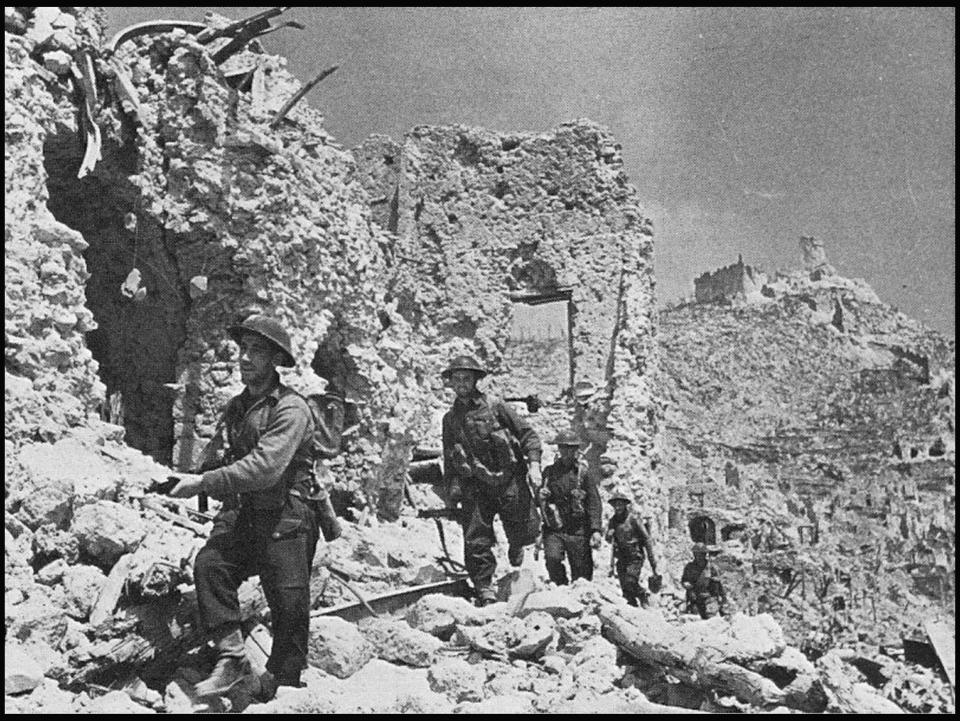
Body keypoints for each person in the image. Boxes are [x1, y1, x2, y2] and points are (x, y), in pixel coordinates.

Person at [169, 315, 318, 699]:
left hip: (288, 517)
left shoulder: (291, 408)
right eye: (243, 349)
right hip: (248, 515)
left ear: (274, 361)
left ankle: (285, 688)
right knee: (211, 565)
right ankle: (233, 657)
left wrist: (204, 483)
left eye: (257, 351)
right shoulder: (238, 407)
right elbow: (220, 455)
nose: (245, 358)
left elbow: (265, 468)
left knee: (289, 608)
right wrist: (186, 476)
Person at [441, 354, 542, 606]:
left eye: (466, 378)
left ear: (476, 381)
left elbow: (527, 434)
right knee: (476, 537)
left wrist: (535, 465)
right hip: (475, 484)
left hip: (509, 479)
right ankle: (484, 586)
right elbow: (449, 456)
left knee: (523, 527)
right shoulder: (450, 419)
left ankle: (517, 544)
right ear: (451, 383)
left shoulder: (496, 406)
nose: (462, 383)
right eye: (457, 379)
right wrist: (451, 491)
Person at [539, 430, 602, 585]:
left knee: (582, 573)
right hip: (555, 527)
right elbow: (538, 501)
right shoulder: (549, 472)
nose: (567, 452)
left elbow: (594, 502)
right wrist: (540, 495)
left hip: (578, 529)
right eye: (563, 448)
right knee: (552, 559)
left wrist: (595, 529)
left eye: (571, 448)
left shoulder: (583, 473)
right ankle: (561, 590)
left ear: (576, 450)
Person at [605, 489, 658, 607]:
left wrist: (652, 560)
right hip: (622, 557)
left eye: (620, 504)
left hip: (635, 556)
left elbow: (646, 539)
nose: (617, 507)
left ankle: (642, 594)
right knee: (625, 588)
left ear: (625, 505)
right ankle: (633, 608)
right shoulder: (613, 521)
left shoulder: (633, 519)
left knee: (630, 580)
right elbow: (608, 540)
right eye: (615, 505)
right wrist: (609, 534)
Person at [681, 542, 726, 618]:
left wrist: (723, 597)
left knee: (711, 619)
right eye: (696, 554)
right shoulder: (689, 567)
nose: (699, 556)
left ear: (705, 554)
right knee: (695, 620)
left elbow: (718, 584)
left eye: (701, 554)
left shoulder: (712, 567)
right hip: (694, 598)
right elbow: (684, 580)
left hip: (709, 598)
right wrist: (686, 584)